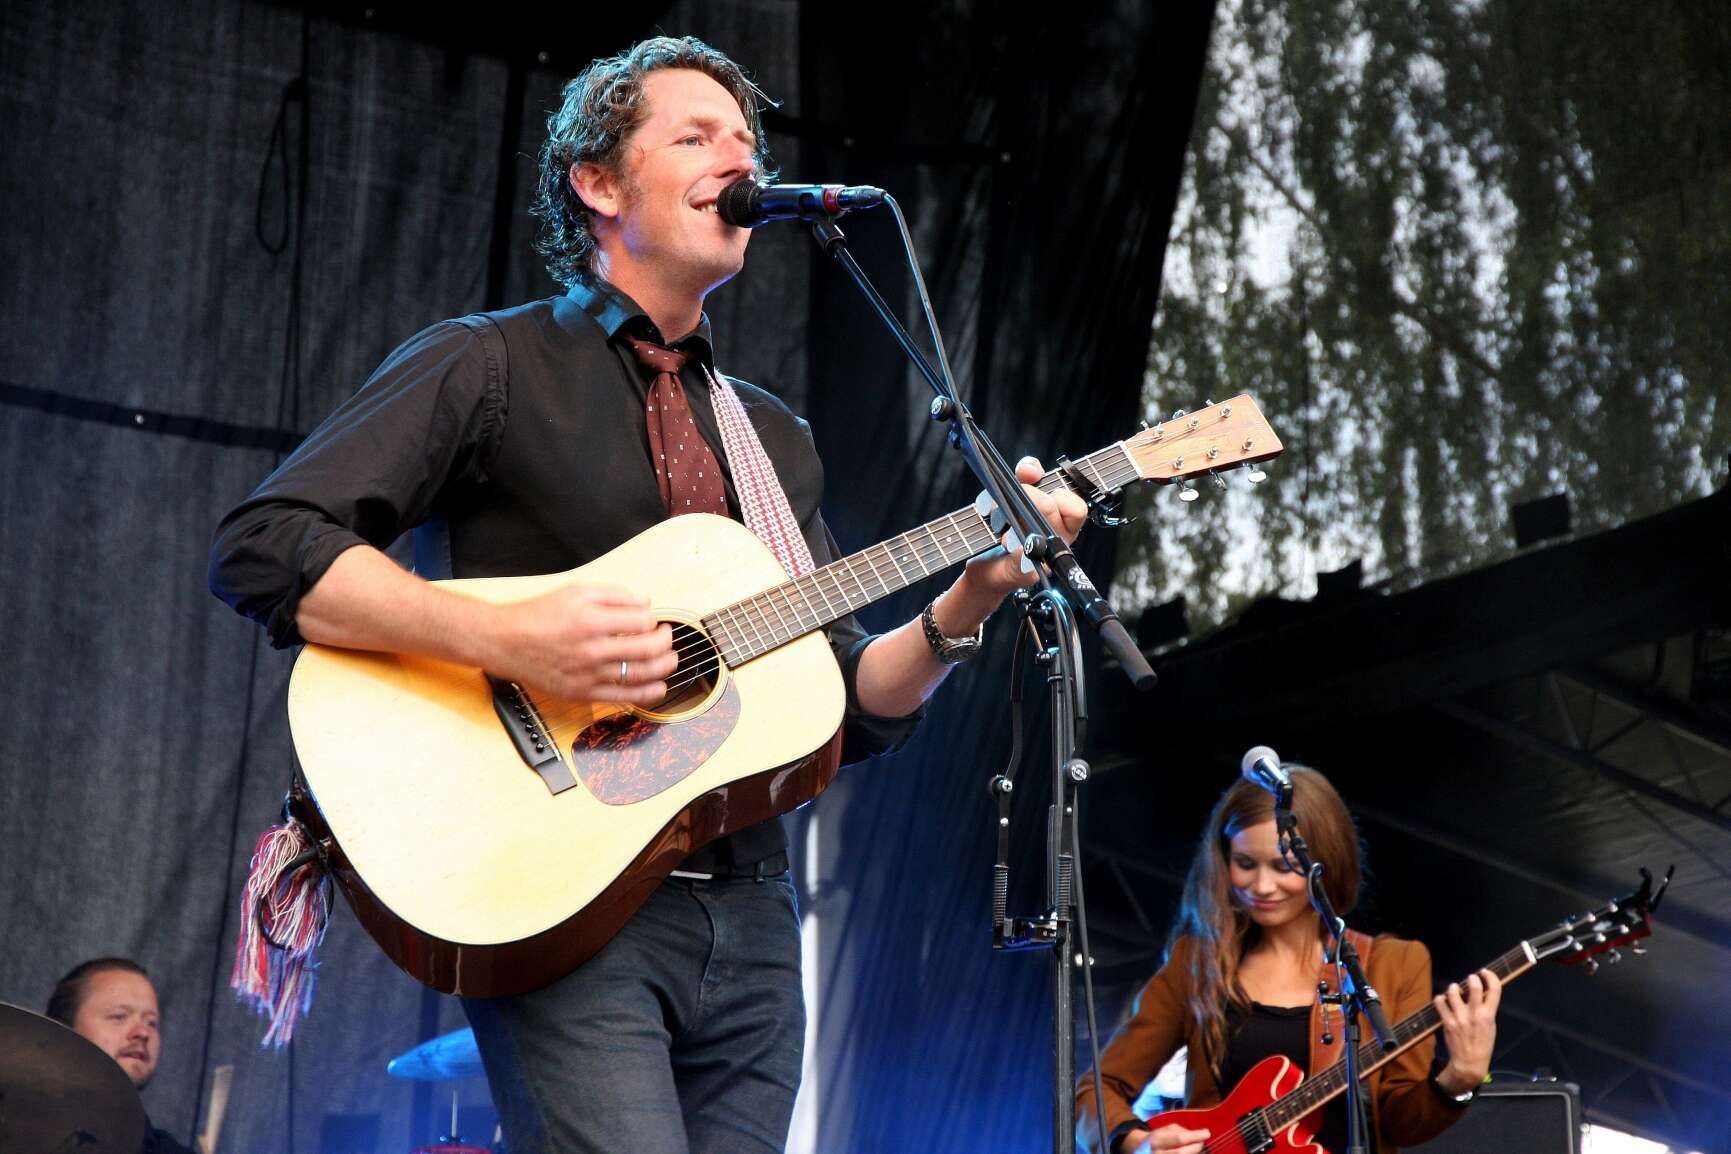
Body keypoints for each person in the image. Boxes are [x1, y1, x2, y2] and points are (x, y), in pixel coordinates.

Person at [208, 34, 1085, 1154]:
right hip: (565, 897)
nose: (741, 157)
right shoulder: (489, 365)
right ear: (600, 184)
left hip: (753, 913)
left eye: (749, 140)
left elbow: (847, 700)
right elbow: (265, 544)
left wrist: (974, 592)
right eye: (697, 136)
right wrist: (513, 638)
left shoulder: (769, 436)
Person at [1075, 768, 1502, 1154]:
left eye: (1284, 866)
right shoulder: (1198, 963)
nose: (1261, 886)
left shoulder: (1394, 964)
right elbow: (1096, 1089)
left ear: (1326, 864)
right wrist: (1137, 1143)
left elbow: (1401, 1124)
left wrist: (1459, 1080)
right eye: (1245, 863)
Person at [46, 957, 197, 1154]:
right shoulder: (17, 1128)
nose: (143, 1032)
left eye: (151, 1022)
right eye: (119, 1016)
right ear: (63, 1030)